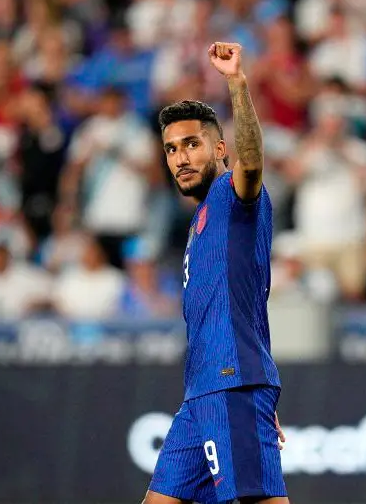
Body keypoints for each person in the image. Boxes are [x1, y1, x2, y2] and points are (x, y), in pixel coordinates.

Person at [142, 42, 288, 504]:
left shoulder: (232, 194)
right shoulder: (202, 219)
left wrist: (236, 83)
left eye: (191, 144)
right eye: (171, 149)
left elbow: (253, 162)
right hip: (205, 395)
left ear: (219, 148)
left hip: (230, 386)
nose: (180, 158)